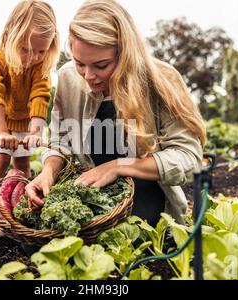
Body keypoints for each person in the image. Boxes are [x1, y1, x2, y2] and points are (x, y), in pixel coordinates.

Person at [25, 0, 206, 226]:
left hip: (143, 190)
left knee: (128, 231)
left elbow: (188, 156)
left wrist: (118, 166)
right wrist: (48, 171)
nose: (88, 75)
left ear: (125, 54)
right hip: (87, 187)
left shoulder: (161, 80)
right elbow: (60, 140)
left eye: (101, 65)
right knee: (37, 233)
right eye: (80, 63)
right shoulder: (68, 77)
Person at [0, 0, 59, 184]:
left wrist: (36, 132)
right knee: (0, 160)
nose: (35, 57)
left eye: (42, 51)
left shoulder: (41, 65)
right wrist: (1, 132)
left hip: (25, 121)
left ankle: (21, 203)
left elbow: (40, 96)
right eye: (26, 50)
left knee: (23, 163)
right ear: (9, 36)